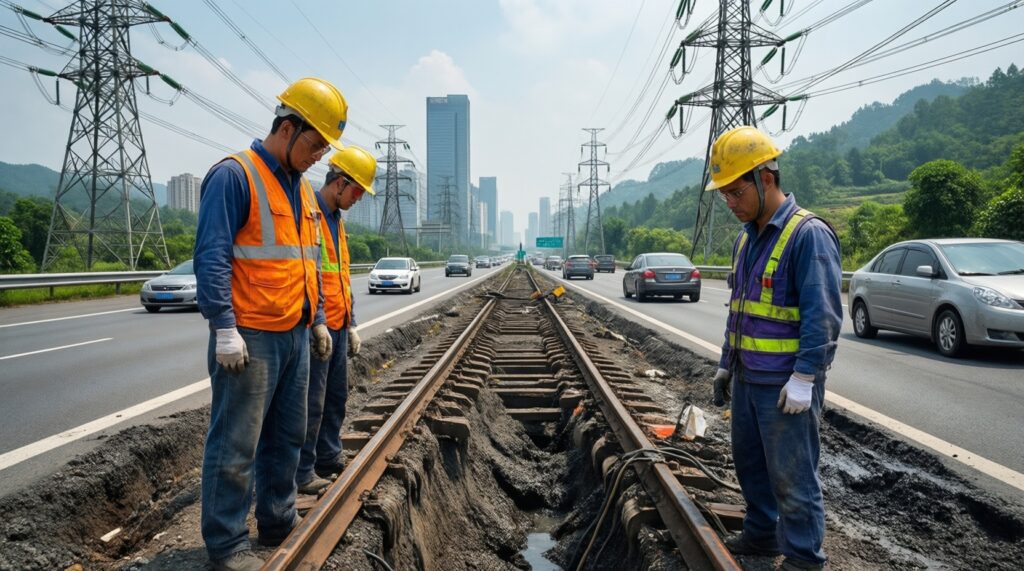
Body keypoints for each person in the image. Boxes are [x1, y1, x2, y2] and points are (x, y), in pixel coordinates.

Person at [194, 77, 347, 571]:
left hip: (295, 335)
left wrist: (318, 321)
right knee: (236, 443)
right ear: (287, 128)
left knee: (287, 436)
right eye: (315, 144)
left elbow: (310, 260)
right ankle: (226, 544)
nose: (319, 157)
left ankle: (278, 519)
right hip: (250, 336)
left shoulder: (302, 192)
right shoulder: (234, 175)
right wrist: (223, 326)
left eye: (324, 149)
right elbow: (212, 255)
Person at [707, 126, 842, 571]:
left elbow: (823, 316)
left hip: (785, 385)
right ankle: (762, 534)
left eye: (736, 191)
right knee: (751, 466)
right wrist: (726, 364)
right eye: (724, 194)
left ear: (765, 178)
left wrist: (805, 377)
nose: (730, 203)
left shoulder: (808, 235)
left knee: (793, 476)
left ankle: (804, 558)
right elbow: (740, 309)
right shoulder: (745, 239)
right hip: (748, 377)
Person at [295, 146, 376, 495]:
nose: (358, 199)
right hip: (320, 326)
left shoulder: (337, 221)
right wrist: (318, 321)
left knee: (336, 397)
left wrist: (352, 322)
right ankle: (303, 469)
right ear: (340, 183)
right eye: (356, 191)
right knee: (311, 402)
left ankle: (328, 456)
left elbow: (341, 276)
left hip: (339, 323)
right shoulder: (310, 214)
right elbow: (309, 274)